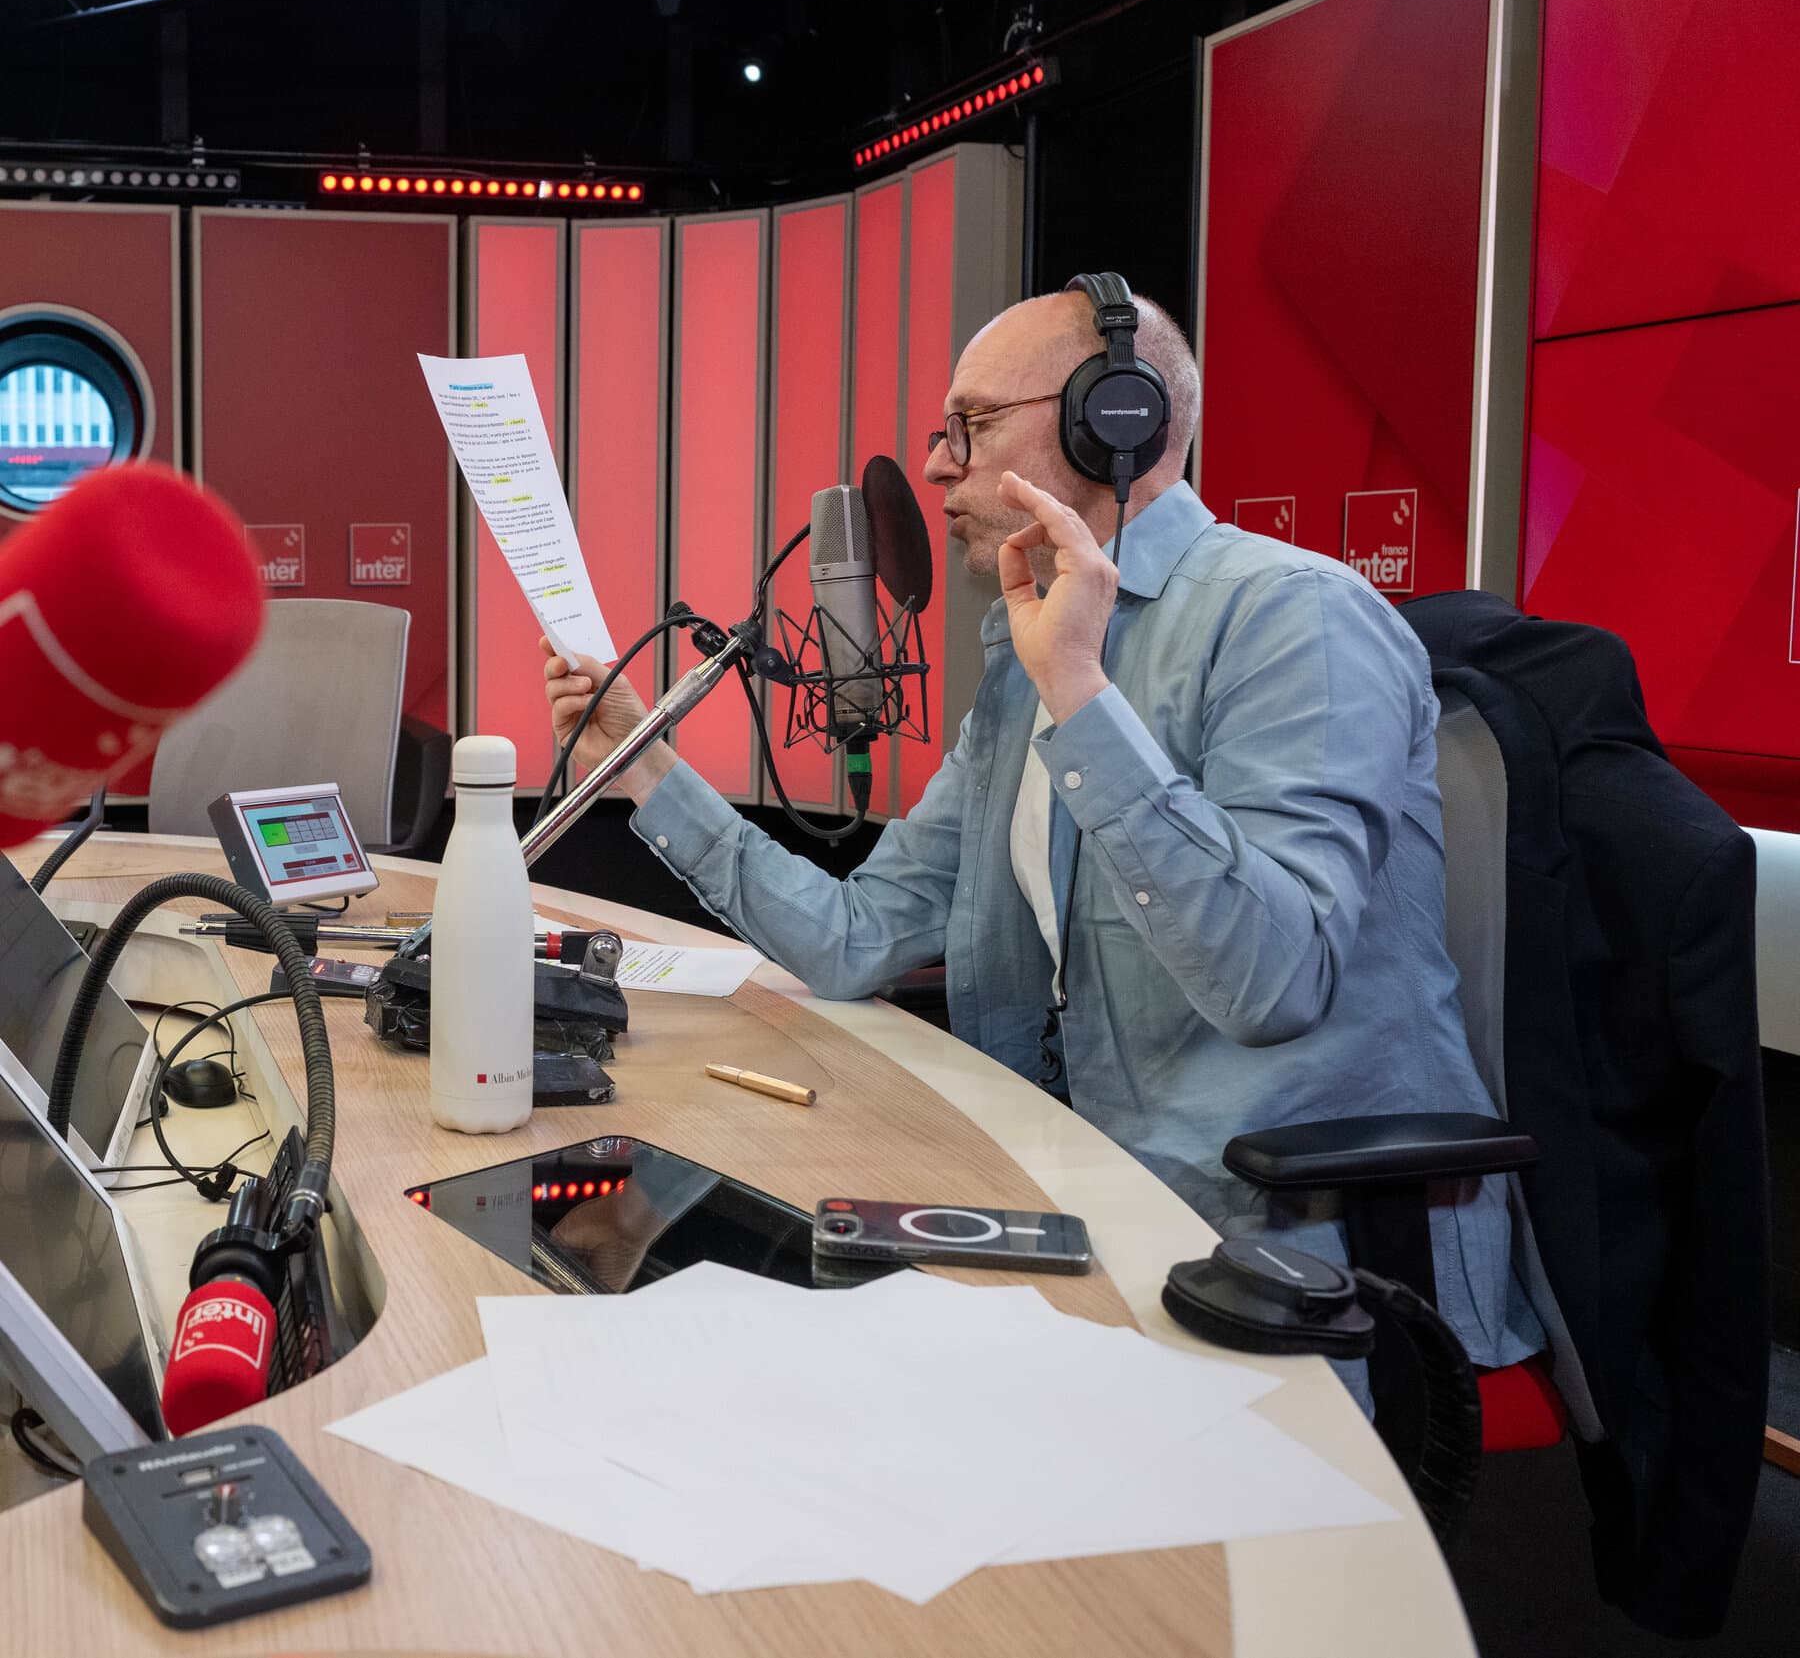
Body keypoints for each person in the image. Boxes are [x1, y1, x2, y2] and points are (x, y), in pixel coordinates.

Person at [542, 278, 1542, 1393]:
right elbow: (855, 935)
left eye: (968, 426)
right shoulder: (1025, 665)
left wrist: (1078, 685)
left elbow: (1274, 979)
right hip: (1084, 1185)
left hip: (1285, 1251)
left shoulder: (1293, 618)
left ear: (1113, 420)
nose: (932, 468)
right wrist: (647, 770)